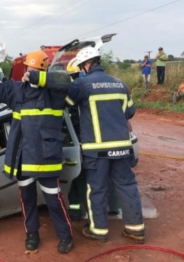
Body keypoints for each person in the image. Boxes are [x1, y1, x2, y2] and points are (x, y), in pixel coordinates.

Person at [0, 49, 74, 254]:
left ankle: (65, 235)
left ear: (43, 69)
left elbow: (64, 80)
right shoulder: (17, 90)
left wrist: (37, 77)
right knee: (27, 198)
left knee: (53, 198)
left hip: (46, 156)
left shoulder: (53, 92)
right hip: (23, 156)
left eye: (33, 68)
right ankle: (32, 234)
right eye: (28, 68)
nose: (28, 72)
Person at [64, 46, 145, 244]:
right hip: (123, 147)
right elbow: (129, 112)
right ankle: (136, 230)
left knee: (97, 189)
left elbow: (67, 105)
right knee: (127, 186)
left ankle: (98, 230)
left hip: (96, 149)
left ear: (86, 65)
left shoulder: (82, 85)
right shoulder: (120, 84)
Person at [64, 58, 121, 221]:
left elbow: (69, 109)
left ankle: (95, 217)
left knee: (86, 182)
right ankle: (109, 207)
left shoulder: (79, 90)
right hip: (109, 140)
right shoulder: (102, 86)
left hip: (88, 144)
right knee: (108, 177)